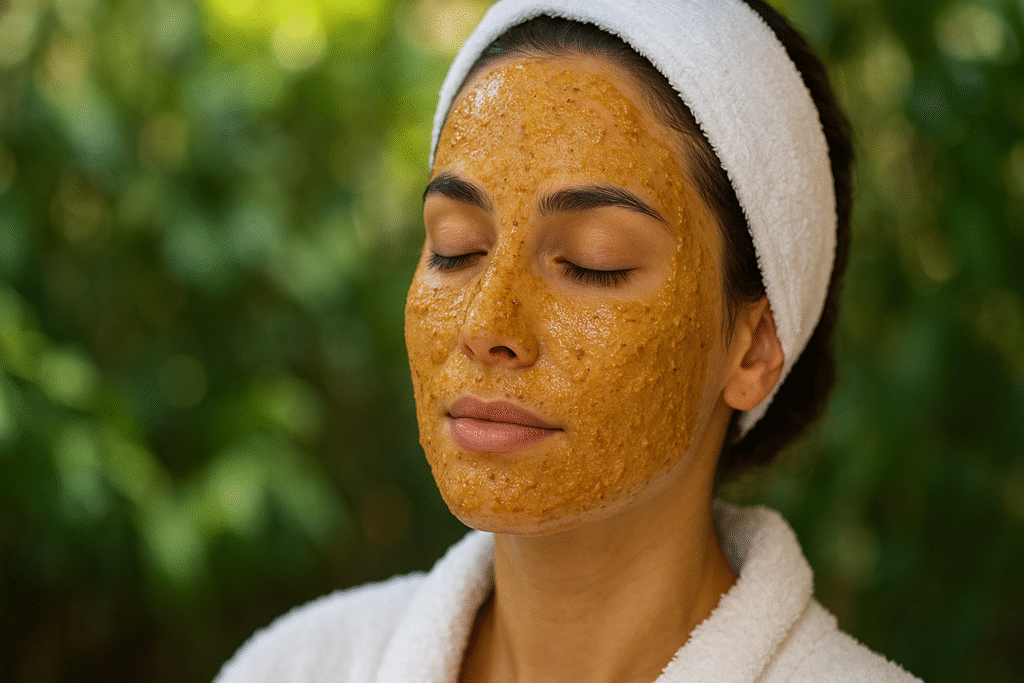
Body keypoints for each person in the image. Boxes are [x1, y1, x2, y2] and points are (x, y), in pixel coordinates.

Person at [215, 1, 922, 681]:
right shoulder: (298, 667)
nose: (487, 325)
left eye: (593, 261)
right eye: (456, 248)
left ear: (754, 348)